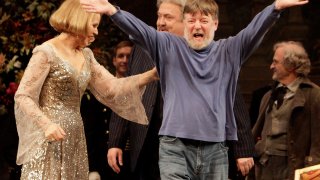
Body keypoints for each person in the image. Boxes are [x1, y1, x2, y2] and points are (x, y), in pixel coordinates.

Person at [80, 0, 308, 179]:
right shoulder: (168, 45)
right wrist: (112, 11)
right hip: (174, 148)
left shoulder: (229, 50)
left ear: (215, 24)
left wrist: (275, 8)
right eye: (191, 20)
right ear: (185, 24)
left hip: (215, 150)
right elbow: (140, 29)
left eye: (204, 20)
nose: (197, 25)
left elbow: (253, 32)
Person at [13, 0, 158, 179]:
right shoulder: (46, 52)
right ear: (80, 20)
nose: (96, 32)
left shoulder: (86, 55)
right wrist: (46, 124)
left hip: (74, 137)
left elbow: (113, 88)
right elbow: (23, 95)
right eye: (94, 25)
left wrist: (151, 75)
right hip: (49, 138)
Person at [107, 1, 184, 180]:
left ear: (185, 20)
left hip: (183, 142)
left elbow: (229, 100)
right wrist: (115, 142)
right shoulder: (141, 49)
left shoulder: (200, 49)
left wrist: (241, 149)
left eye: (168, 17)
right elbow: (127, 93)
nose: (161, 22)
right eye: (159, 16)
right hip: (145, 140)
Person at [252, 41, 320, 180]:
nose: (271, 66)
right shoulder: (268, 96)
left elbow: (318, 141)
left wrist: (311, 170)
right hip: (265, 168)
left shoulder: (313, 95)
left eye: (276, 62)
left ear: (291, 65)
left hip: (291, 169)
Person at [81, 40, 134, 180]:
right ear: (114, 60)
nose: (124, 60)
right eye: (121, 56)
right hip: (106, 162)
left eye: (129, 56)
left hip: (136, 162)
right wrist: (92, 168)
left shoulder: (146, 92)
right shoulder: (100, 92)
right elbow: (90, 132)